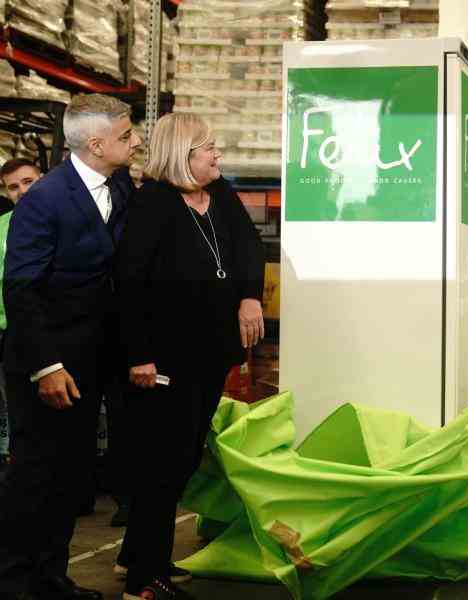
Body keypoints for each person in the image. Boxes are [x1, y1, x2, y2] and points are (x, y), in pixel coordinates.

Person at [113, 112, 265, 600]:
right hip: (163, 360)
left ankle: (138, 556)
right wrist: (139, 356)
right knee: (163, 462)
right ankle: (145, 578)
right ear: (183, 155)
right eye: (209, 148)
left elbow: (248, 248)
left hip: (208, 354)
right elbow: (131, 284)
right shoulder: (153, 203)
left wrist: (249, 295)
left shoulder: (219, 196)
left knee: (181, 459)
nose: (218, 155)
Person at [0, 94, 140, 600]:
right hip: (47, 363)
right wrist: (47, 366)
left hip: (91, 359)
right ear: (97, 143)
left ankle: (53, 579)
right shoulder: (46, 198)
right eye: (126, 135)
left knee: (71, 479)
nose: (136, 140)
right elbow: (21, 288)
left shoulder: (120, 186)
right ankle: (14, 583)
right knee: (35, 475)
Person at [0, 158, 42, 470]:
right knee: (19, 414)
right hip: (9, 333)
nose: (22, 191)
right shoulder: (2, 225)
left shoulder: (62, 218)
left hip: (51, 332)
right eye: (13, 187)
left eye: (28, 181)